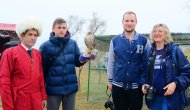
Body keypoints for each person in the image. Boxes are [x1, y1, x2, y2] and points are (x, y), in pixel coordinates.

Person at [40, 17, 95, 110]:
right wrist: (42, 91)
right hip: (53, 90)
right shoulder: (45, 46)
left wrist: (85, 57)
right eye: (59, 27)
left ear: (66, 29)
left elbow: (78, 62)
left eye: (64, 28)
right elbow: (42, 71)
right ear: (53, 29)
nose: (62, 30)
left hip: (70, 89)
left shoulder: (73, 43)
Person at [107, 11, 151, 110]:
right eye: (127, 21)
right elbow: (111, 62)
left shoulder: (145, 41)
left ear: (136, 22)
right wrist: (110, 80)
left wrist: (145, 82)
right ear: (122, 22)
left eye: (132, 21)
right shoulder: (115, 40)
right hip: (118, 86)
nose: (129, 23)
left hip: (136, 87)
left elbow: (147, 64)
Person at [0, 18, 47, 110]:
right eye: (30, 34)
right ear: (22, 35)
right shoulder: (9, 53)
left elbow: (40, 77)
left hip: (36, 99)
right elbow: (4, 82)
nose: (33, 38)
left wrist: (43, 97)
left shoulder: (37, 54)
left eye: (35, 35)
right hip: (19, 100)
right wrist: (8, 106)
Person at [142, 23, 190, 110]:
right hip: (154, 97)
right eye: (154, 31)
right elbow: (143, 72)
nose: (156, 33)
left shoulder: (174, 51)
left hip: (172, 98)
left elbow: (187, 73)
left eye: (160, 31)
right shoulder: (149, 52)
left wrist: (175, 84)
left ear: (166, 34)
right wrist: (143, 83)